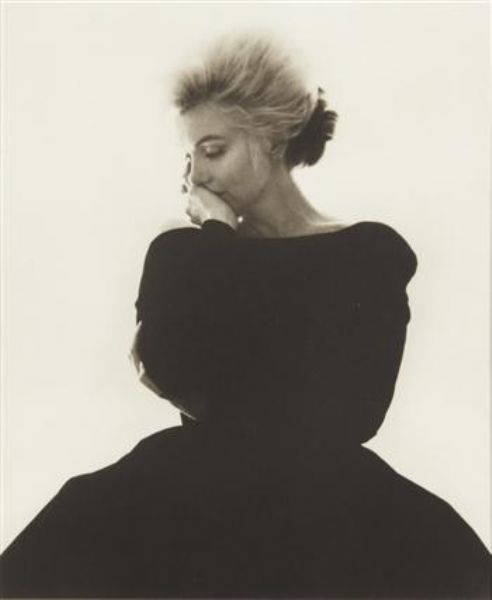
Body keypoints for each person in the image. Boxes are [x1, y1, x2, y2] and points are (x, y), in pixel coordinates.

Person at [1, 34, 490, 598]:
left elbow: (355, 413)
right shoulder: (182, 252)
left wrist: (234, 401)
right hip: (185, 502)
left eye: (213, 151)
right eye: (189, 157)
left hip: (326, 506)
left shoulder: (368, 253)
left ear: (273, 139)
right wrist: (215, 235)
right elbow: (168, 369)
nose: (196, 177)